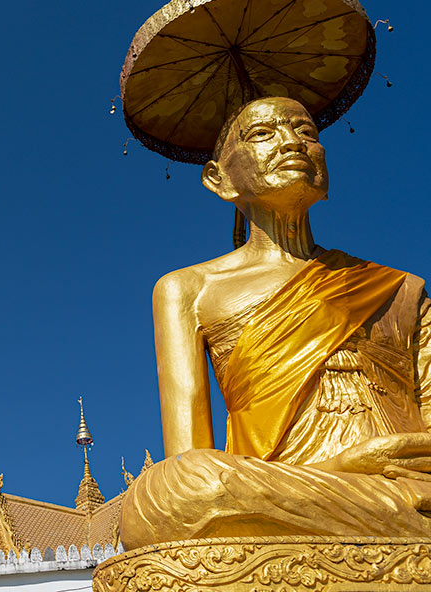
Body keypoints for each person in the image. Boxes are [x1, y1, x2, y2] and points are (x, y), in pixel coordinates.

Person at [121, 97, 431, 548]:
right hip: (285, 489)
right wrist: (340, 469)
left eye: (307, 132)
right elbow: (189, 459)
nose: (292, 142)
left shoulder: (398, 289)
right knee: (171, 489)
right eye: (263, 134)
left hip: (406, 489)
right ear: (219, 179)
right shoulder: (189, 289)